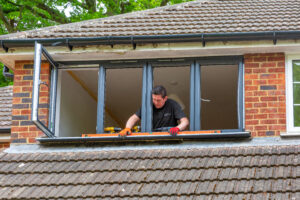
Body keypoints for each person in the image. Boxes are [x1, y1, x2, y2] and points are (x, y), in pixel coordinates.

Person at [119, 85, 189, 136]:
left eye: (158, 100)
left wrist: (177, 129)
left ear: (165, 98)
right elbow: (133, 118)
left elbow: (185, 122)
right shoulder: (148, 106)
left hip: (169, 137)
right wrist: (127, 128)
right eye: (154, 99)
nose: (155, 102)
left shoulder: (172, 104)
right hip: (153, 138)